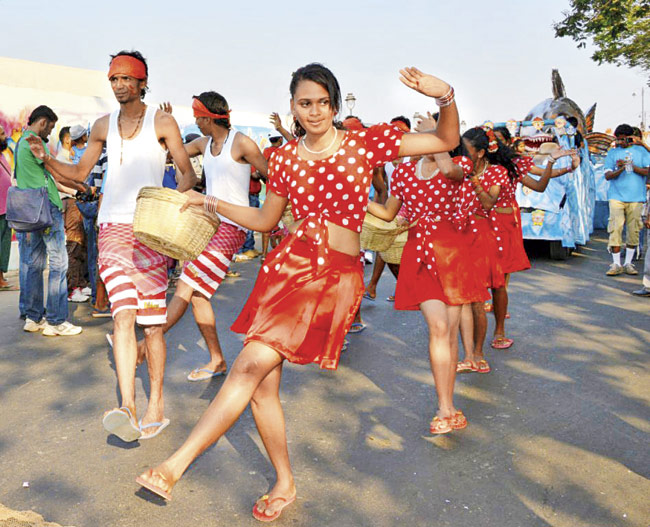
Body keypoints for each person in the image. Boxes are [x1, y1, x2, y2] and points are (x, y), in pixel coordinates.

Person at [135, 63, 459, 522]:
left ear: (334, 103)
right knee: (263, 388)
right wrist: (210, 200)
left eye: (323, 102)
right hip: (284, 271)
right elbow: (267, 221)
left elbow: (446, 140)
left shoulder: (364, 143)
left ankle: (174, 465)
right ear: (292, 107)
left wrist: (445, 96)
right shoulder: (285, 159)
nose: (314, 112)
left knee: (248, 365)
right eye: (305, 103)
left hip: (331, 279)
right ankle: (284, 482)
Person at [26, 50, 196, 441]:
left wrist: (169, 209)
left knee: (152, 327)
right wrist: (46, 159)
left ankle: (156, 404)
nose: (119, 85)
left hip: (151, 233)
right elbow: (80, 173)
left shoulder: (163, 121)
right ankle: (128, 405)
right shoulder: (103, 125)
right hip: (113, 229)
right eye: (113, 79)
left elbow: (186, 174)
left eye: (125, 78)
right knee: (122, 316)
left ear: (141, 81)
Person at [136, 91, 267, 382]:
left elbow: (271, 174)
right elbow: (175, 151)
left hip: (234, 227)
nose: (195, 121)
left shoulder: (241, 143)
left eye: (198, 117)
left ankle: (145, 344)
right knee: (198, 295)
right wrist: (163, 124)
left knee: (185, 284)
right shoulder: (204, 143)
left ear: (208, 119)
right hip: (209, 223)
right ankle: (217, 359)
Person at [367, 112, 480, 434]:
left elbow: (449, 170)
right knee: (438, 327)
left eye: (433, 134)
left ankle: (448, 403)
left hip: (454, 252)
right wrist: (354, 199)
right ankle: (445, 407)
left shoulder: (460, 165)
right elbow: (389, 212)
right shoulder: (402, 172)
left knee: (449, 329)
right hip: (420, 254)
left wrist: (438, 132)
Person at [16, 105, 83, 336]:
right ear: (43, 122)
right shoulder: (37, 143)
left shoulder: (20, 143)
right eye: (51, 127)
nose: (50, 133)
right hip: (47, 209)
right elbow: (56, 172)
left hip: (30, 211)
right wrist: (80, 184)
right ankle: (55, 321)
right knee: (58, 264)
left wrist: (75, 189)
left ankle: (33, 317)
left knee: (34, 265)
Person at [603, 124, 650, 276]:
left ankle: (628, 262)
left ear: (630, 138)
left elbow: (647, 172)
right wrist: (621, 169)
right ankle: (616, 263)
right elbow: (608, 175)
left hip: (636, 197)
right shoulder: (612, 153)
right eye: (617, 139)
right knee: (615, 228)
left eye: (623, 139)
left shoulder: (641, 151)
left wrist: (632, 166)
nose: (619, 142)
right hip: (616, 197)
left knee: (633, 230)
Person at [0, 125, 13, 289]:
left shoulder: (3, 155)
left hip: (6, 208)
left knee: (4, 244)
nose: (5, 136)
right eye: (2, 134)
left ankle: (1, 276)